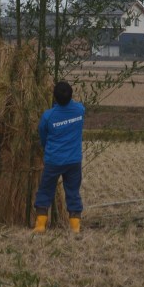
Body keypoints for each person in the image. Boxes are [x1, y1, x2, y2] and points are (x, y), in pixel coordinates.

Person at [32, 80, 85, 234]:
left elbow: (43, 135)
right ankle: (75, 227)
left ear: (54, 97)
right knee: (73, 192)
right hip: (74, 160)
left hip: (53, 160)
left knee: (45, 191)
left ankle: (40, 225)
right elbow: (75, 105)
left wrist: (47, 149)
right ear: (71, 96)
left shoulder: (48, 116)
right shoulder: (80, 110)